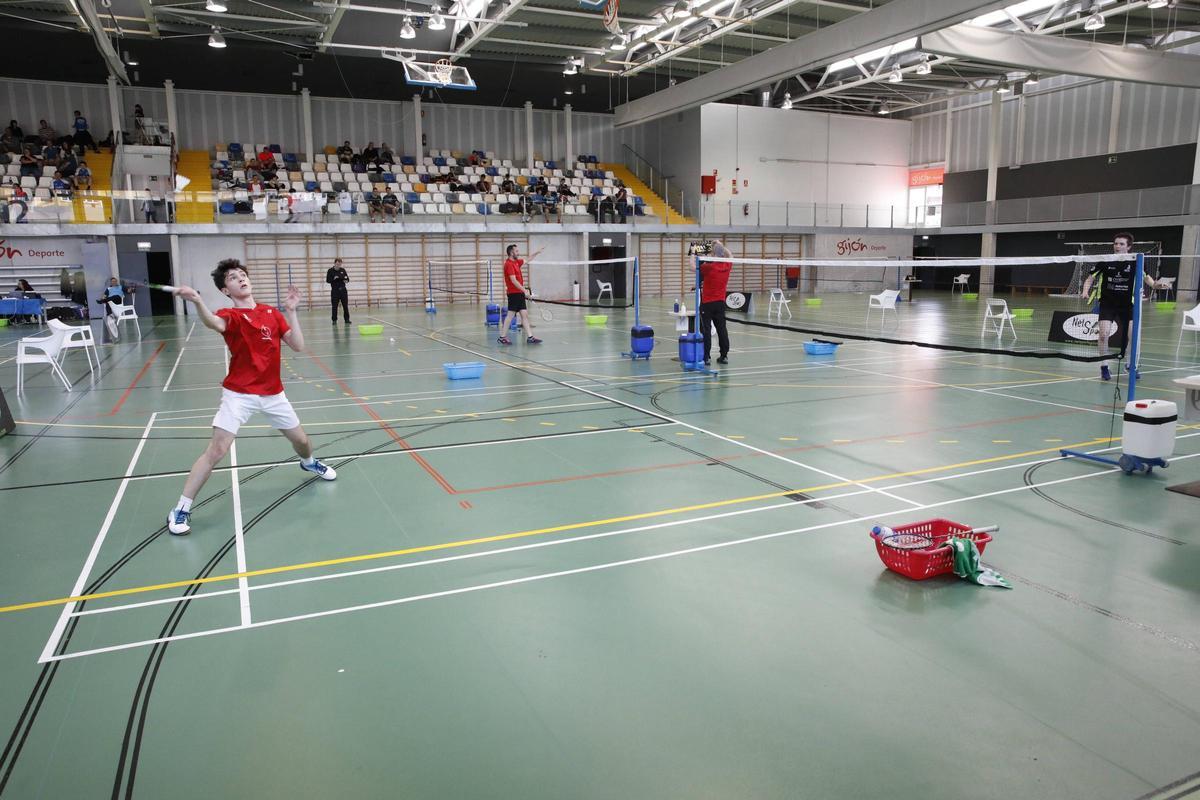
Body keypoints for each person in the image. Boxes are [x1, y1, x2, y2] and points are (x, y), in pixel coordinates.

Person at [165, 262, 337, 535]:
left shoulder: (271, 312)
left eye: (243, 275)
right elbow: (213, 323)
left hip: (273, 394)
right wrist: (197, 301)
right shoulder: (230, 314)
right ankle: (181, 508)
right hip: (239, 394)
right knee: (217, 450)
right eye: (233, 278)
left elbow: (298, 346)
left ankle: (307, 462)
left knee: (302, 441)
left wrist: (291, 312)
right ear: (225, 289)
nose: (241, 279)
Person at [1080, 232, 1155, 381]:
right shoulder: (1105, 260)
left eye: (1121, 244)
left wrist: (1156, 285)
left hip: (1128, 304)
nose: (1117, 246)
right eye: (1116, 243)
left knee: (1133, 336)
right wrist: (1085, 290)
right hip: (1107, 304)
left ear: (1129, 247)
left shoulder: (1136, 260)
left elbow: (1146, 277)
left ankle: (1130, 365)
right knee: (1103, 335)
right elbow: (1089, 278)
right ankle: (1104, 366)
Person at [497, 244, 544, 346]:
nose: (518, 253)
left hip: (519, 293)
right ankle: (502, 337)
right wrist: (525, 290)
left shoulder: (516, 263)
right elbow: (513, 280)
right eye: (516, 251)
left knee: (524, 315)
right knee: (510, 316)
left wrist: (537, 252)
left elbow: (528, 259)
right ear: (511, 252)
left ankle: (530, 337)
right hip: (514, 294)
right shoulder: (509, 264)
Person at [699, 239, 733, 365]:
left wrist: (693, 254)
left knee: (706, 330)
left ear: (713, 254)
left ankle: (706, 357)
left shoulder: (709, 267)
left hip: (707, 303)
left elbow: (692, 267)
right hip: (720, 303)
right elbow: (731, 256)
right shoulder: (727, 265)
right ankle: (724, 356)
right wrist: (721, 245)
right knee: (722, 329)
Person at [326, 257, 351, 324]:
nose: (338, 266)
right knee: (334, 306)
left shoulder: (343, 270)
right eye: (337, 264)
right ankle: (334, 320)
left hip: (343, 290)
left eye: (339, 264)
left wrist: (346, 280)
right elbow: (328, 280)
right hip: (335, 291)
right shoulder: (330, 271)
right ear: (334, 263)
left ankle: (347, 319)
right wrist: (334, 278)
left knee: (345, 305)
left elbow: (347, 279)